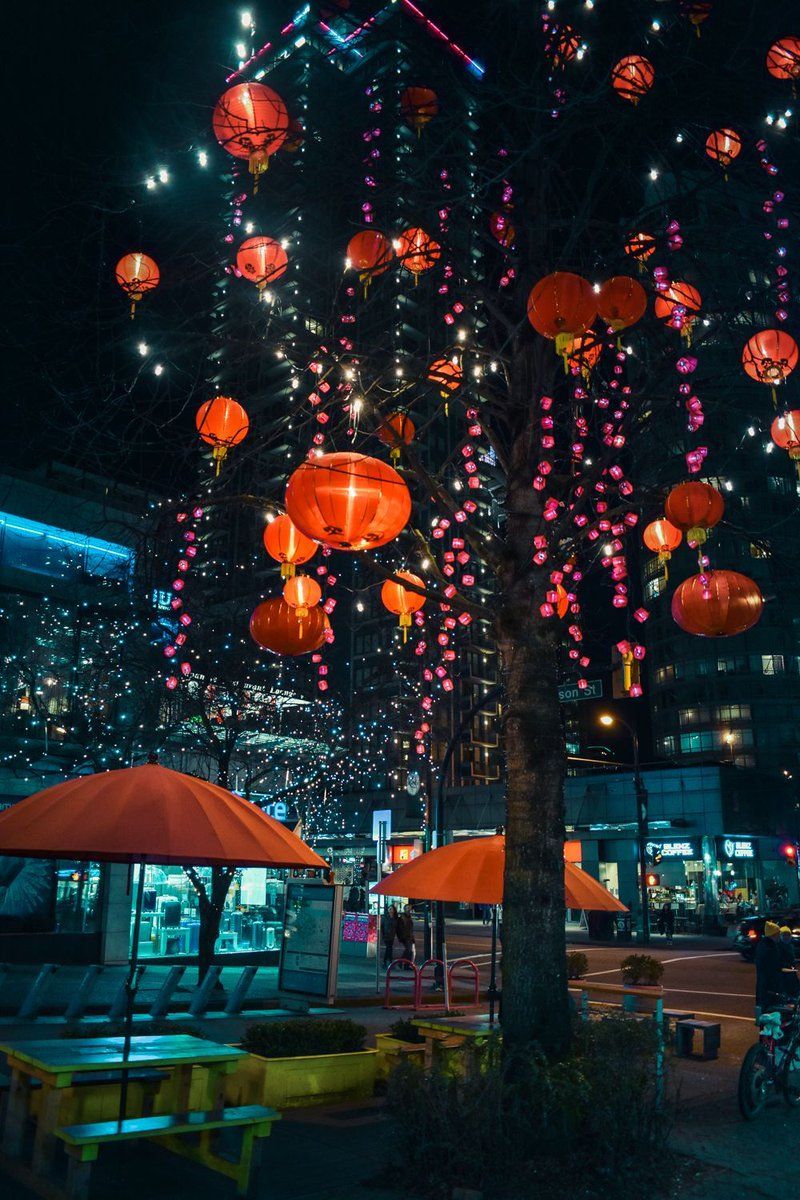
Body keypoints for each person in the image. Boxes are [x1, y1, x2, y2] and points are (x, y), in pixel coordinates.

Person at [755, 920, 792, 1013]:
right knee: (770, 1011)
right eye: (778, 933)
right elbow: (773, 968)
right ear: (774, 934)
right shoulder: (770, 949)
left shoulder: (765, 946)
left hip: (765, 986)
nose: (780, 935)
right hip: (769, 986)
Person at [779, 926, 800, 998]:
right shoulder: (778, 947)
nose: (786, 937)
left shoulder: (790, 946)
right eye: (784, 935)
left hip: (790, 971)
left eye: (788, 935)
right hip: (783, 972)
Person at [397, 904, 415, 969]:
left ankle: (406, 965)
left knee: (409, 951)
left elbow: (411, 929)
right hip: (405, 937)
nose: (409, 909)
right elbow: (399, 929)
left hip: (409, 937)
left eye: (410, 908)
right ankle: (401, 963)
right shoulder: (402, 918)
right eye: (407, 908)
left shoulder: (409, 917)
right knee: (408, 950)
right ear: (404, 909)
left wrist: (412, 938)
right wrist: (401, 937)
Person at [380, 903, 398, 969]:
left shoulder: (395, 918)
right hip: (386, 935)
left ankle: (388, 962)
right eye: (389, 908)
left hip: (392, 935)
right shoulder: (385, 917)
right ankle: (386, 962)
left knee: (390, 948)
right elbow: (382, 926)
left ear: (394, 910)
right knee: (388, 948)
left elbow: (396, 927)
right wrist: (383, 934)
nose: (390, 910)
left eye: (391, 909)